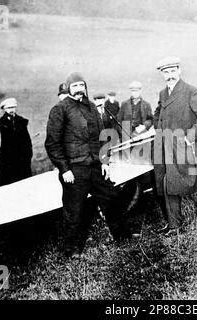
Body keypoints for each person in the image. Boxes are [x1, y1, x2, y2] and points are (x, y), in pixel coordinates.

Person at [45, 72, 131, 259]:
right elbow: (52, 143)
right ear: (68, 89)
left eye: (81, 85)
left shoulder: (92, 107)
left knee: (112, 200)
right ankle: (72, 250)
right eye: (74, 86)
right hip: (74, 170)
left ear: (85, 87)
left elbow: (102, 138)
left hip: (96, 167)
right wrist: (64, 168)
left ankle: (123, 239)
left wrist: (105, 162)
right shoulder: (59, 109)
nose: (78, 89)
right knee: (73, 211)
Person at [153, 57, 197, 237]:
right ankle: (173, 223)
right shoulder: (163, 94)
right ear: (162, 74)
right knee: (164, 183)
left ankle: (175, 224)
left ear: (179, 70)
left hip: (181, 147)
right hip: (164, 146)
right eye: (166, 72)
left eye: (172, 71)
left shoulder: (190, 92)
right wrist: (156, 126)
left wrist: (190, 137)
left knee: (176, 183)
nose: (169, 75)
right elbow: (158, 112)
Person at [0, 97, 33, 186]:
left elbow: (27, 141)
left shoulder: (21, 121)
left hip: (22, 158)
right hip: (7, 159)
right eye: (9, 108)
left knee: (23, 181)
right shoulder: (0, 124)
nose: (12, 110)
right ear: (4, 109)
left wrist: (28, 155)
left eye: (13, 107)